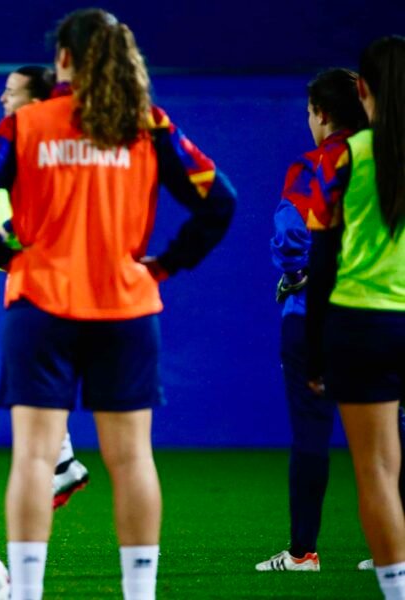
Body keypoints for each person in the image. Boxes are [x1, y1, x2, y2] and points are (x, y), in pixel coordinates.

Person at [0, 9, 235, 599]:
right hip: (125, 309)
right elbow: (219, 200)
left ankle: (26, 593)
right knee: (131, 459)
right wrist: (166, 263)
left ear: (64, 60)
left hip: (41, 305)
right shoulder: (149, 125)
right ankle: (139, 594)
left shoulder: (27, 124)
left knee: (32, 458)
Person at [256, 68, 371, 573]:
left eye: (309, 112)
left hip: (311, 316)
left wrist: (300, 272)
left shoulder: (314, 165)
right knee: (388, 436)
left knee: (311, 432)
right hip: (383, 314)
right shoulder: (387, 162)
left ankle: (303, 552)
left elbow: (291, 240)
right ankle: (396, 552)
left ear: (321, 114)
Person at [305, 35, 405, 600]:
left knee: (378, 472)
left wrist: (315, 351)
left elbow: (323, 259)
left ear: (361, 89)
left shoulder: (345, 157)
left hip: (362, 324)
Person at [0, 64, 90, 509]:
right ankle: (64, 460)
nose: (2, 99)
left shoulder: (36, 149)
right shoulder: (28, 147)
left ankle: (61, 464)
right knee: (35, 387)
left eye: (11, 92)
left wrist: (7, 238)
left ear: (36, 103)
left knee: (34, 393)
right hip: (36, 280)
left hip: (46, 287)